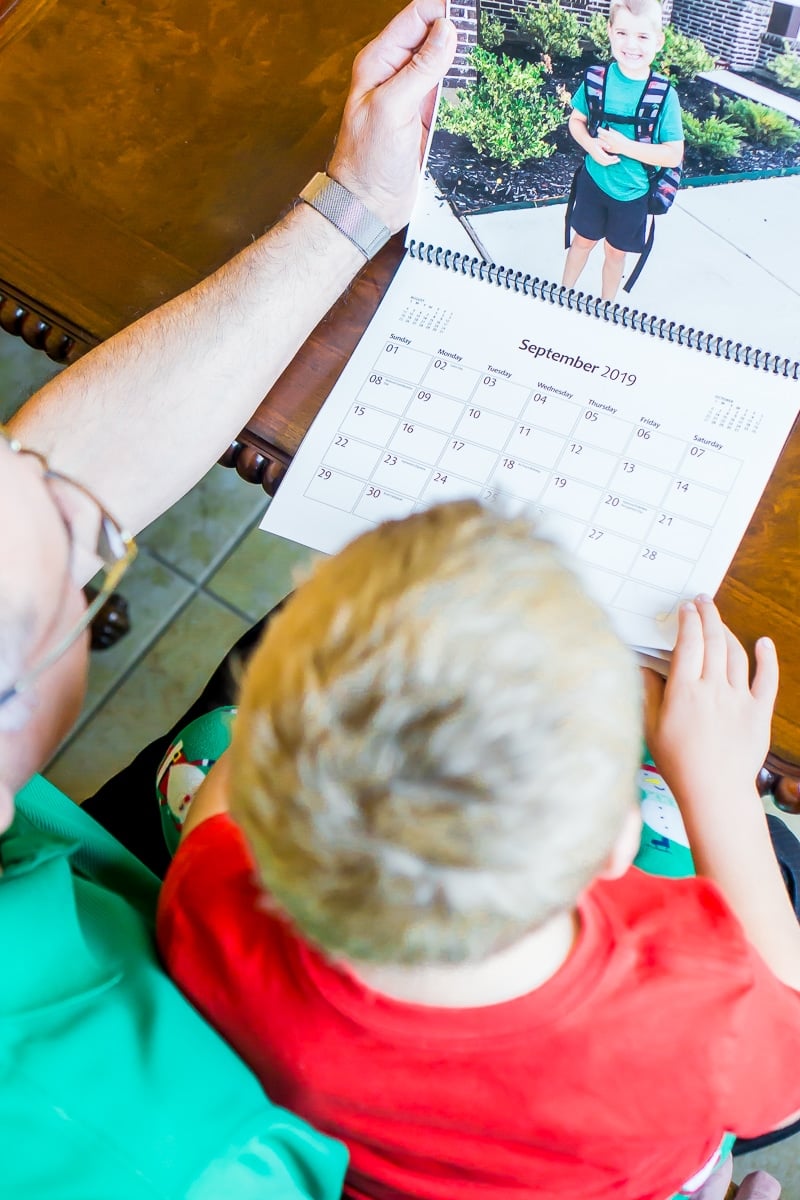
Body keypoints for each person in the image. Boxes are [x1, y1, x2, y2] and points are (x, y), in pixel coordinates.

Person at [0, 3, 457, 1194]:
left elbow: (75, 477)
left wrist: (351, 204)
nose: (81, 500)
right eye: (83, 559)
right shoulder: (202, 1159)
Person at [156, 499, 800, 1200]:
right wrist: (721, 787)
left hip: (363, 1150)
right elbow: (789, 1081)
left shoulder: (213, 901)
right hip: (632, 1166)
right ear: (621, 839)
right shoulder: (691, 989)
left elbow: (238, 775)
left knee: (208, 741)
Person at [561, 0, 684, 301]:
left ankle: (607, 306)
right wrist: (590, 144)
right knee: (582, 242)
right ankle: (561, 294)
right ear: (610, 32)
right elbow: (576, 120)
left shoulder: (665, 96)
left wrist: (625, 146)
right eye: (623, 33)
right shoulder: (597, 80)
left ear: (659, 40)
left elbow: (672, 154)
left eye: (642, 37)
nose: (631, 45)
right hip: (594, 182)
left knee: (616, 254)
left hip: (633, 193)